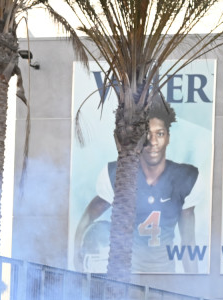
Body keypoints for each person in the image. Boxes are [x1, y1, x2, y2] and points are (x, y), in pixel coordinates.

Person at [73, 108, 205, 274]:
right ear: (139, 139)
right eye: (147, 134)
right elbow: (90, 214)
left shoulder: (183, 178)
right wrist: (76, 249)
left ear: (168, 138)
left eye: (160, 134)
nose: (153, 141)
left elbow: (188, 242)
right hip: (128, 278)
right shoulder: (120, 175)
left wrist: (193, 286)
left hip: (164, 276)